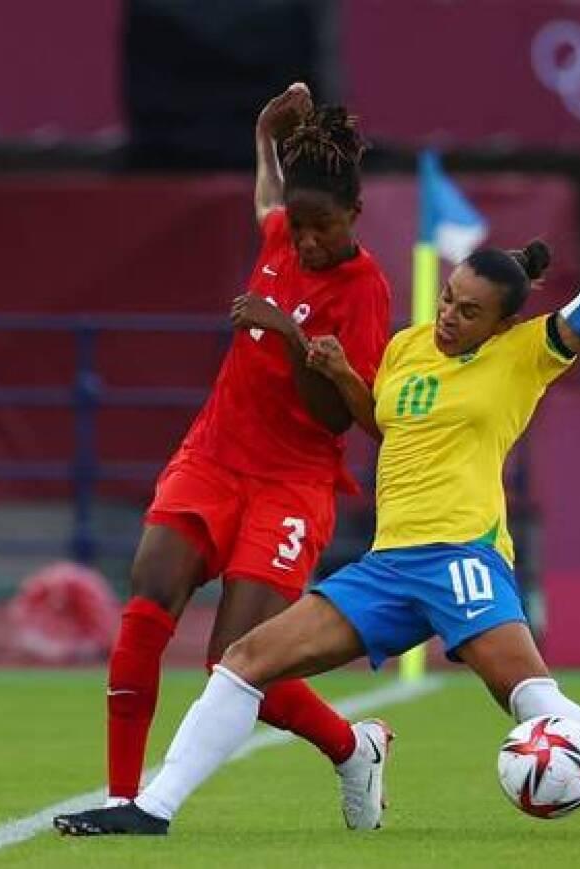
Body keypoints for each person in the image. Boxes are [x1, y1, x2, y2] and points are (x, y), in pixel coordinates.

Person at [54, 114, 580, 839]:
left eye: (468, 313)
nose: (448, 318)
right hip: (389, 564)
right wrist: (343, 376)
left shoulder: (529, 353)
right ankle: (151, 810)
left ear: (501, 324)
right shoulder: (407, 347)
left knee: (532, 696)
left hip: (462, 557)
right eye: (446, 300)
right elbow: (383, 425)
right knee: (245, 660)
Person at [57, 83, 394, 833]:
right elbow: (268, 200)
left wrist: (286, 333)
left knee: (238, 663)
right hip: (211, 456)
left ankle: (353, 746)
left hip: (292, 482)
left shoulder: (365, 289)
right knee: (146, 603)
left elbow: (338, 412)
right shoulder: (282, 232)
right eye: (299, 226)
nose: (304, 241)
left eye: (322, 227)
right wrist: (261, 136)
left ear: (356, 218)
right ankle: (122, 800)